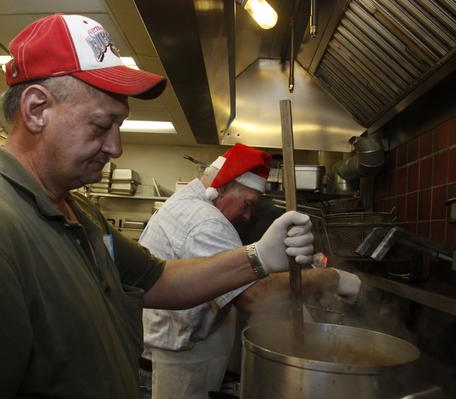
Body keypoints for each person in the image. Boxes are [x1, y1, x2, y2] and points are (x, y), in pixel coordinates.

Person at [0, 14, 316, 399]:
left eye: (119, 125)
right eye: (102, 125)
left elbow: (158, 280)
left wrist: (258, 256)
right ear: (37, 110)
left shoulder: (78, 213)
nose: (116, 147)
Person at [139, 144, 362, 399]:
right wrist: (333, 278)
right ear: (222, 186)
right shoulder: (206, 221)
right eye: (247, 204)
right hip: (178, 367)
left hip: (174, 356)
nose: (246, 216)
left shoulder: (187, 204)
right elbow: (255, 297)